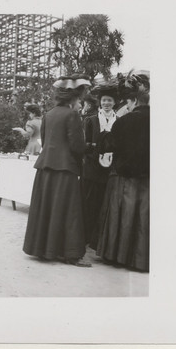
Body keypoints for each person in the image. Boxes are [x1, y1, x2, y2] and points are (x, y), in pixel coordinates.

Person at [23, 74, 92, 267]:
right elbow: (77, 146)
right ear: (73, 98)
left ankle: (43, 249)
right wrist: (90, 149)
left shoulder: (49, 114)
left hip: (46, 167)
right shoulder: (72, 115)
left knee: (47, 207)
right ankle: (70, 254)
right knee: (68, 210)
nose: (79, 103)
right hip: (65, 168)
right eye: (79, 99)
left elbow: (45, 142)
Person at [95, 71, 150, 272]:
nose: (127, 106)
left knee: (124, 217)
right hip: (149, 179)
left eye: (128, 102)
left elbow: (107, 146)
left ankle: (117, 256)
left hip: (125, 179)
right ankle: (142, 260)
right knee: (143, 218)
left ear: (134, 100)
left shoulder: (125, 120)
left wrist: (102, 135)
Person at [82, 84, 119, 245]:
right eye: (104, 100)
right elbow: (85, 144)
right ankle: (86, 236)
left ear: (114, 102)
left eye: (109, 100)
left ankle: (99, 240)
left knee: (104, 204)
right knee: (89, 203)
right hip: (92, 168)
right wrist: (94, 150)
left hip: (109, 169)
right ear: (100, 102)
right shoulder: (91, 120)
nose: (106, 103)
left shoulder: (118, 121)